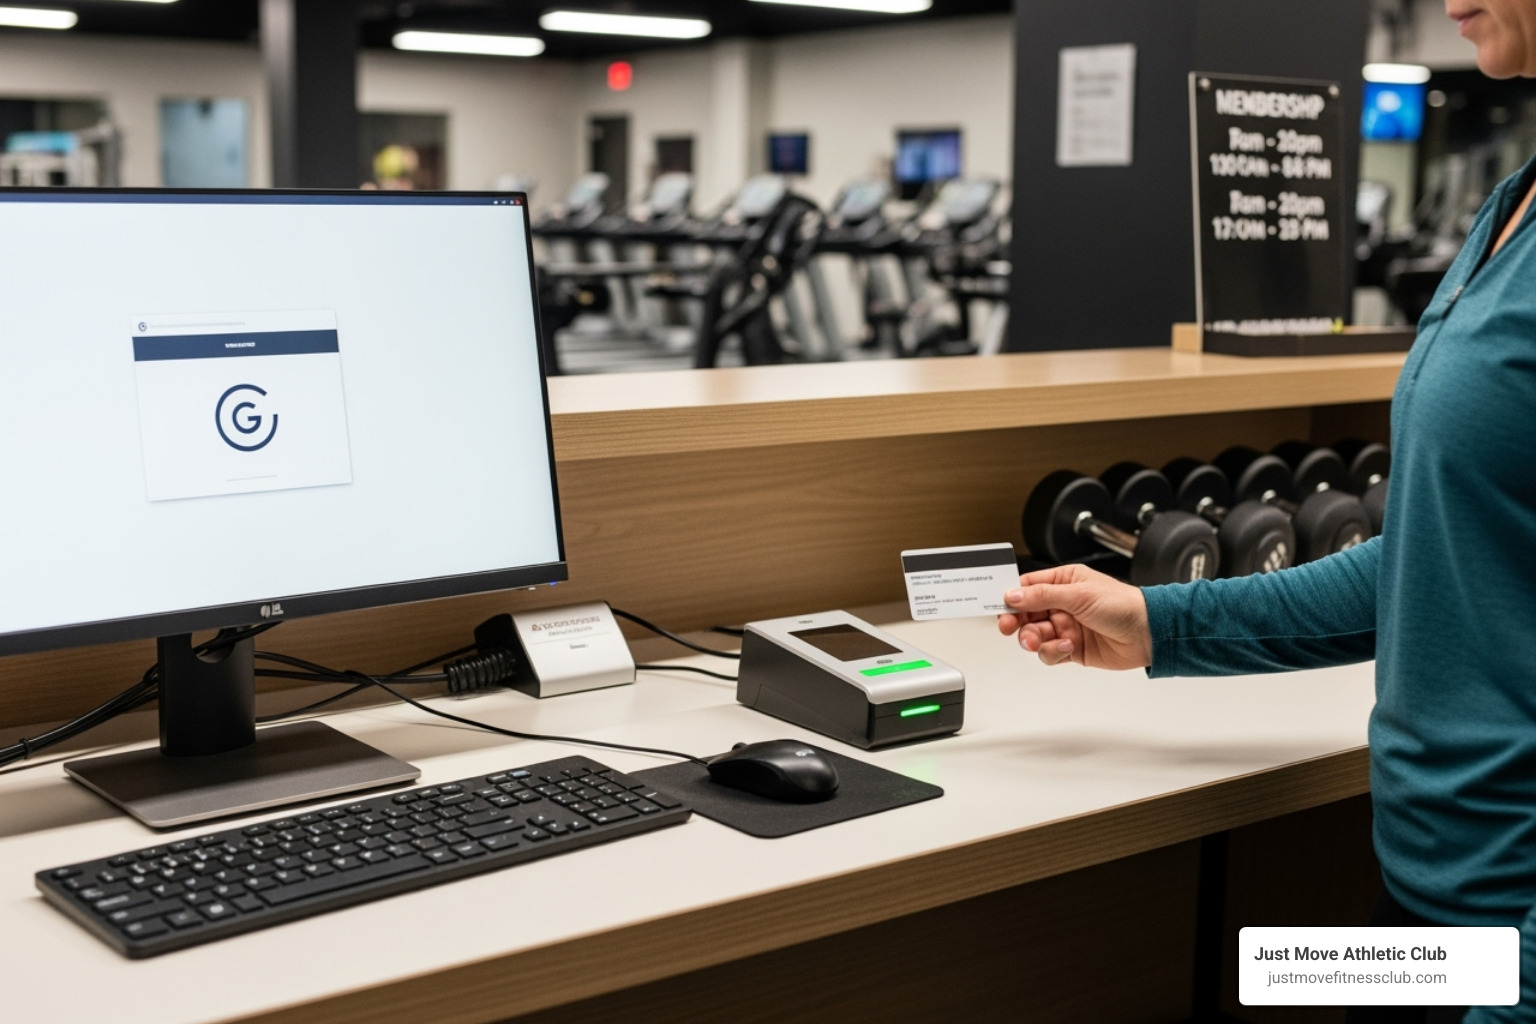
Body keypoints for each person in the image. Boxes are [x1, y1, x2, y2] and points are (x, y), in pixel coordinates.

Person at [999, 3, 1536, 1021]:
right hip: (1433, 913)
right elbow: (1442, 556)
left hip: (1510, 941)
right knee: (1246, 974)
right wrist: (1160, 622)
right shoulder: (1513, 204)